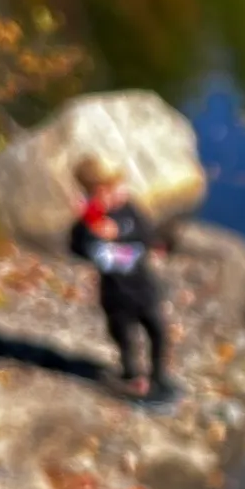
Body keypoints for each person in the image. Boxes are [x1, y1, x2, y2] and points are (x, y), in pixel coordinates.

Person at [69, 157, 176, 404]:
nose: (120, 193)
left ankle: (159, 374)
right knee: (124, 336)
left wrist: (122, 234)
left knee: (158, 330)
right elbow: (77, 248)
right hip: (115, 293)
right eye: (110, 190)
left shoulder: (128, 211)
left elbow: (147, 234)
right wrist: (91, 229)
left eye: (118, 187)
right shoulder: (88, 224)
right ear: (96, 193)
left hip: (143, 287)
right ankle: (132, 375)